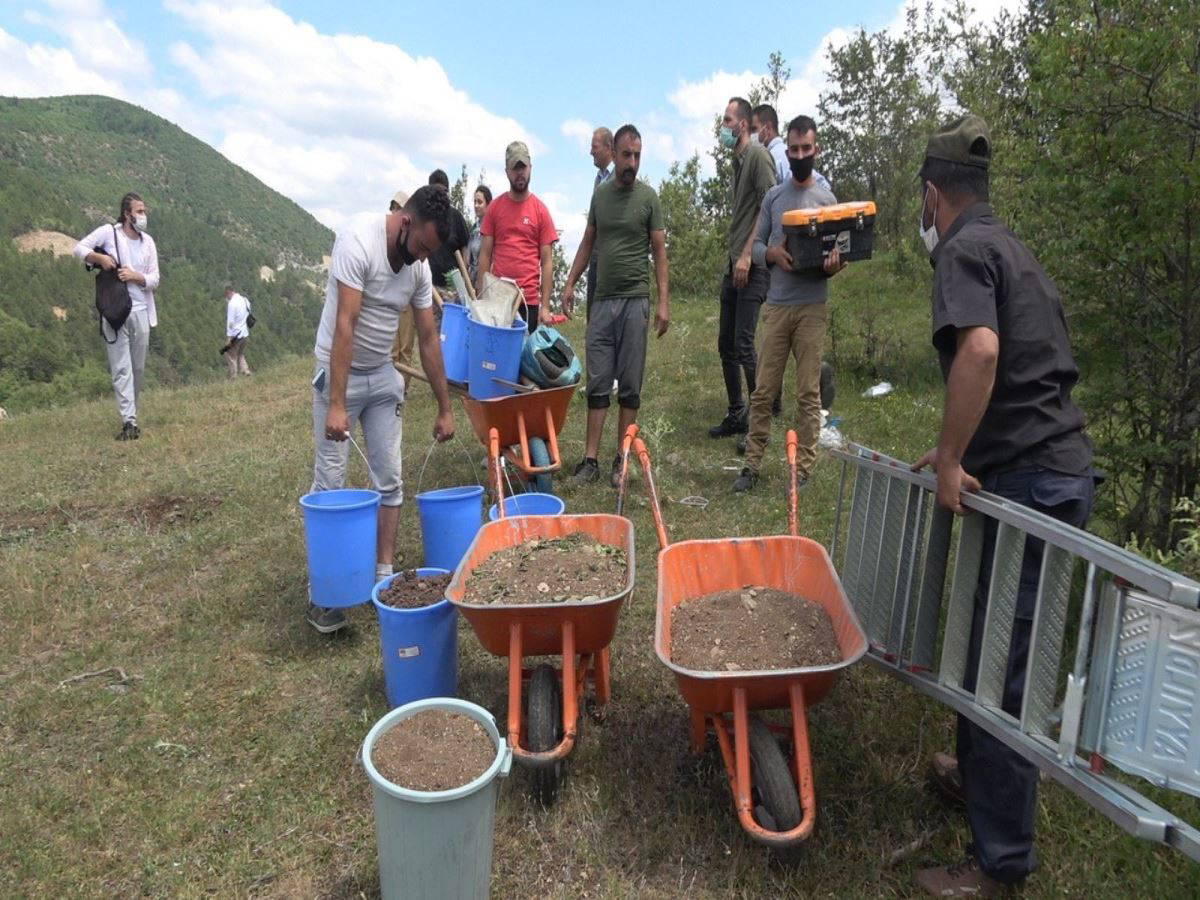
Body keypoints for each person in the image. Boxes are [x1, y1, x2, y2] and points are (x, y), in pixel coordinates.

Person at [908, 115, 1096, 896]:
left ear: (931, 195)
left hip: (1031, 479)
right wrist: (954, 448)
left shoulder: (961, 250)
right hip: (1047, 469)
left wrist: (954, 459)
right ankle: (978, 773)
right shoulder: (1012, 247)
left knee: (1009, 669)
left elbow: (982, 351)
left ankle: (1000, 866)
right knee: (993, 646)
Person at [308, 185, 457, 635]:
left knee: (389, 478)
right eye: (421, 247)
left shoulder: (418, 267)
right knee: (330, 484)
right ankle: (326, 596)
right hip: (339, 371)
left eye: (429, 252)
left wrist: (445, 406)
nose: (420, 258)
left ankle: (382, 578)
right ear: (405, 223)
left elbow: (429, 339)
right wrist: (337, 404)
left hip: (383, 374)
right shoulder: (358, 241)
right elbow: (345, 325)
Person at [733, 116, 842, 493]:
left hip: (812, 305)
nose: (799, 156)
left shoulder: (827, 201)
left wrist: (834, 265)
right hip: (777, 305)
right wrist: (772, 255)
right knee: (764, 389)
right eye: (793, 150)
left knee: (808, 392)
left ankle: (804, 469)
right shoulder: (774, 198)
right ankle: (751, 464)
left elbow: (838, 255)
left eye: (805, 150)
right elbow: (757, 245)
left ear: (816, 150)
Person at [561, 124, 670, 488]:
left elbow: (659, 252)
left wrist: (663, 303)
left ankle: (621, 460)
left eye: (637, 156)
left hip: (635, 301)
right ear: (615, 152)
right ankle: (589, 461)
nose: (632, 162)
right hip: (603, 302)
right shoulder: (601, 197)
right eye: (627, 154)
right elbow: (587, 242)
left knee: (630, 386)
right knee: (597, 382)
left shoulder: (649, 198)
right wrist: (571, 281)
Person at [709, 97, 777, 440]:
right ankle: (737, 412)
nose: (723, 127)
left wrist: (749, 255)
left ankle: (758, 420)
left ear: (745, 125)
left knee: (745, 344)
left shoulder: (758, 157)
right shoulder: (738, 162)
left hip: (752, 266)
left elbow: (770, 208)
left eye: (727, 120)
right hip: (733, 262)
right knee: (726, 343)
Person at [74, 191, 161, 441]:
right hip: (114, 310)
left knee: (138, 367)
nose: (143, 215)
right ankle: (129, 421)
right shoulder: (108, 233)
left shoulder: (148, 243)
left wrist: (136, 276)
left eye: (144, 211)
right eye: (139, 211)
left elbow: (155, 279)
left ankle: (132, 412)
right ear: (127, 214)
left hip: (141, 311)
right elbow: (79, 248)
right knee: (121, 367)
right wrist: (100, 258)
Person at [474, 141, 558, 332]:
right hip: (498, 299)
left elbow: (546, 261)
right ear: (507, 171)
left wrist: (545, 307)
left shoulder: (540, 211)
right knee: (496, 358)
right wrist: (481, 298)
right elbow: (485, 255)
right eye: (515, 168)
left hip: (528, 302)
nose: (520, 173)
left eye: (523, 167)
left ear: (530, 168)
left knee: (525, 360)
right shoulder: (495, 208)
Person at [751, 104, 831, 191]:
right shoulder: (779, 153)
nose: (750, 135)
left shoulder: (776, 157)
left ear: (768, 128)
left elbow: (822, 185)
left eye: (753, 129)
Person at [424, 169, 471, 295]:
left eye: (443, 191)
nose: (439, 196)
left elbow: (465, 248)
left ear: (447, 192)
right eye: (435, 191)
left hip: (454, 289)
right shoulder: (424, 217)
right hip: (430, 287)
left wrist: (463, 277)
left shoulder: (456, 217)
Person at [586, 126, 614, 313]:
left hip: (612, 261)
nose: (591, 152)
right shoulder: (599, 178)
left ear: (608, 147)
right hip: (596, 258)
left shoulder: (618, 178)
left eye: (594, 147)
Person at [224, 285, 253, 378]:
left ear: (229, 292)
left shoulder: (232, 304)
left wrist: (229, 337)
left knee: (230, 354)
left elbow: (230, 321)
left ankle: (233, 376)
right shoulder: (245, 300)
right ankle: (246, 371)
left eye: (226, 295)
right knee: (240, 353)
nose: (227, 298)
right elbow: (248, 312)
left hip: (235, 334)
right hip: (245, 333)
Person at [467, 184, 492, 284]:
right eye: (475, 202)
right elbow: (469, 258)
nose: (476, 205)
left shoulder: (493, 229)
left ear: (488, 204)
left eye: (480, 202)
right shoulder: (473, 228)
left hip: (487, 282)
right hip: (472, 281)